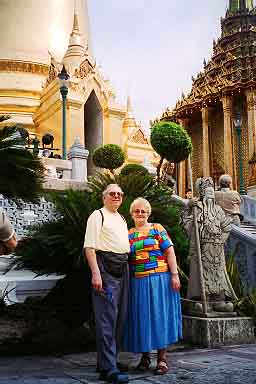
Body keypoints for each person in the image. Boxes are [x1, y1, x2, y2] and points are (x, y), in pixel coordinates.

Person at [124, 198, 182, 375]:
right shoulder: (128, 233)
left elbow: (169, 251)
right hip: (139, 281)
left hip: (160, 280)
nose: (140, 213)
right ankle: (145, 357)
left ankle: (162, 359)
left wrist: (175, 275)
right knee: (143, 318)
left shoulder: (157, 228)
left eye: (143, 211)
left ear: (148, 213)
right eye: (137, 211)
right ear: (132, 213)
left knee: (159, 316)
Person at [84, 184, 130, 384]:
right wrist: (96, 274)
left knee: (120, 317)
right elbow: (89, 247)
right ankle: (108, 368)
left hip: (123, 268)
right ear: (104, 197)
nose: (117, 196)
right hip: (105, 268)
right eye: (112, 193)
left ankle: (108, 361)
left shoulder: (121, 218)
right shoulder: (97, 215)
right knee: (106, 318)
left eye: (120, 194)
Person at [182, 177, 237, 313]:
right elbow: (186, 223)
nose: (211, 195)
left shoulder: (218, 210)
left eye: (212, 192)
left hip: (217, 248)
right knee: (202, 273)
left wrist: (221, 239)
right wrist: (189, 207)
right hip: (202, 247)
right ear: (202, 194)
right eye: (208, 192)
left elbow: (226, 226)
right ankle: (203, 299)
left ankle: (218, 300)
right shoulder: (197, 208)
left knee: (219, 274)